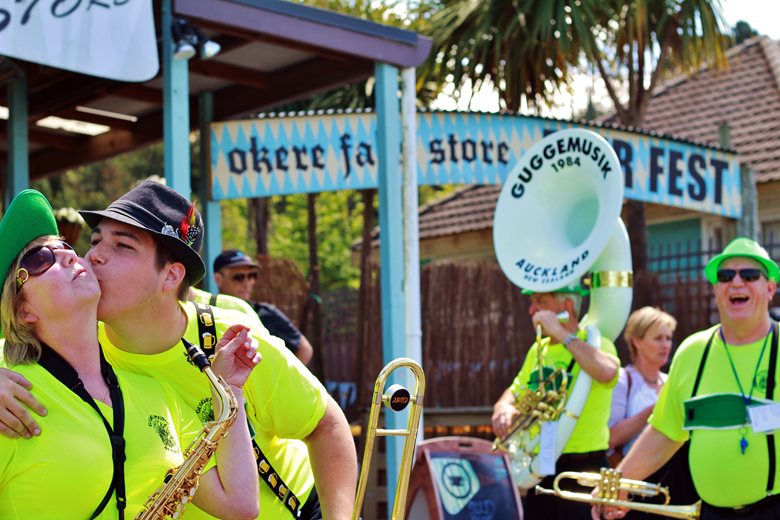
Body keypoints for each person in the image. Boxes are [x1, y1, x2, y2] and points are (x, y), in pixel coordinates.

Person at [0, 180, 357, 519]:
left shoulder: (229, 338)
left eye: (122, 246)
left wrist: (228, 391)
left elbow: (323, 426)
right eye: (95, 240)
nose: (92, 256)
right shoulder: (59, 352)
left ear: (170, 276)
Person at [597, 237, 780, 520]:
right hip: (709, 513)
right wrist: (619, 482)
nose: (736, 282)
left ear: (770, 289)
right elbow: (665, 432)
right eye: (725, 276)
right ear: (716, 290)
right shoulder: (692, 352)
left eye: (750, 275)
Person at [491, 285, 620, 519]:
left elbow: (607, 372)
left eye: (540, 301)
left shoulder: (597, 344)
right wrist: (503, 406)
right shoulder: (537, 350)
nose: (532, 310)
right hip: (543, 468)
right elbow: (516, 389)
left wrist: (562, 334)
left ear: (566, 306)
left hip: (585, 470)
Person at [208, 249, 314, 365]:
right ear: (218, 279)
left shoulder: (266, 313)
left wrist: (280, 381)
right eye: (238, 277)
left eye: (252, 275)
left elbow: (305, 349)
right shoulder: (206, 314)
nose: (247, 282)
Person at [608, 307, 676, 460]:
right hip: (634, 478)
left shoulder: (669, 382)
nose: (665, 345)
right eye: (658, 338)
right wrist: (656, 409)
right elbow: (610, 439)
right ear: (637, 341)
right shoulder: (622, 380)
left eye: (668, 338)